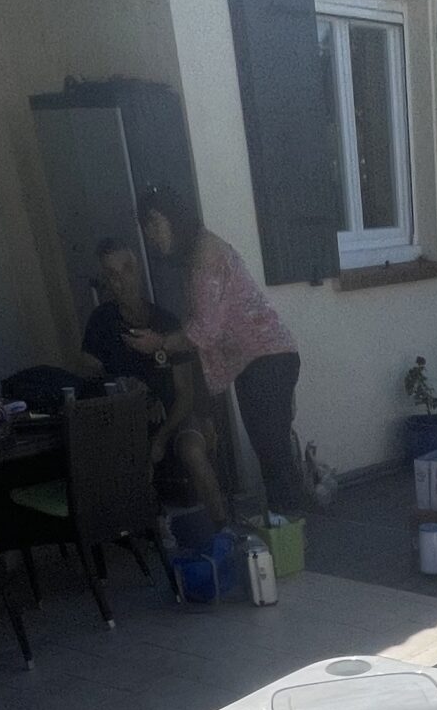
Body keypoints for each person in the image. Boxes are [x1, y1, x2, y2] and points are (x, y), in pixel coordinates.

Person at [136, 188, 303, 516]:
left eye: (154, 224)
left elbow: (204, 331)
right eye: (146, 228)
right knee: (272, 451)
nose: (151, 235)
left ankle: (289, 534)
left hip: (265, 360)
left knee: (272, 452)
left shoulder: (204, 258)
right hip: (262, 360)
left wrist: (159, 342)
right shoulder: (198, 254)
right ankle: (288, 530)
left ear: (174, 217)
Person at [78, 239, 228, 523]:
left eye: (127, 269)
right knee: (134, 461)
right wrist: (132, 388)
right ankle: (155, 534)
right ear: (107, 280)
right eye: (112, 274)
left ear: (139, 269)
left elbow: (185, 393)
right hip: (127, 423)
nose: (122, 279)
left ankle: (224, 530)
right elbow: (87, 371)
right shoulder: (102, 321)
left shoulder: (166, 323)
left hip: (175, 418)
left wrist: (161, 438)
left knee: (194, 453)